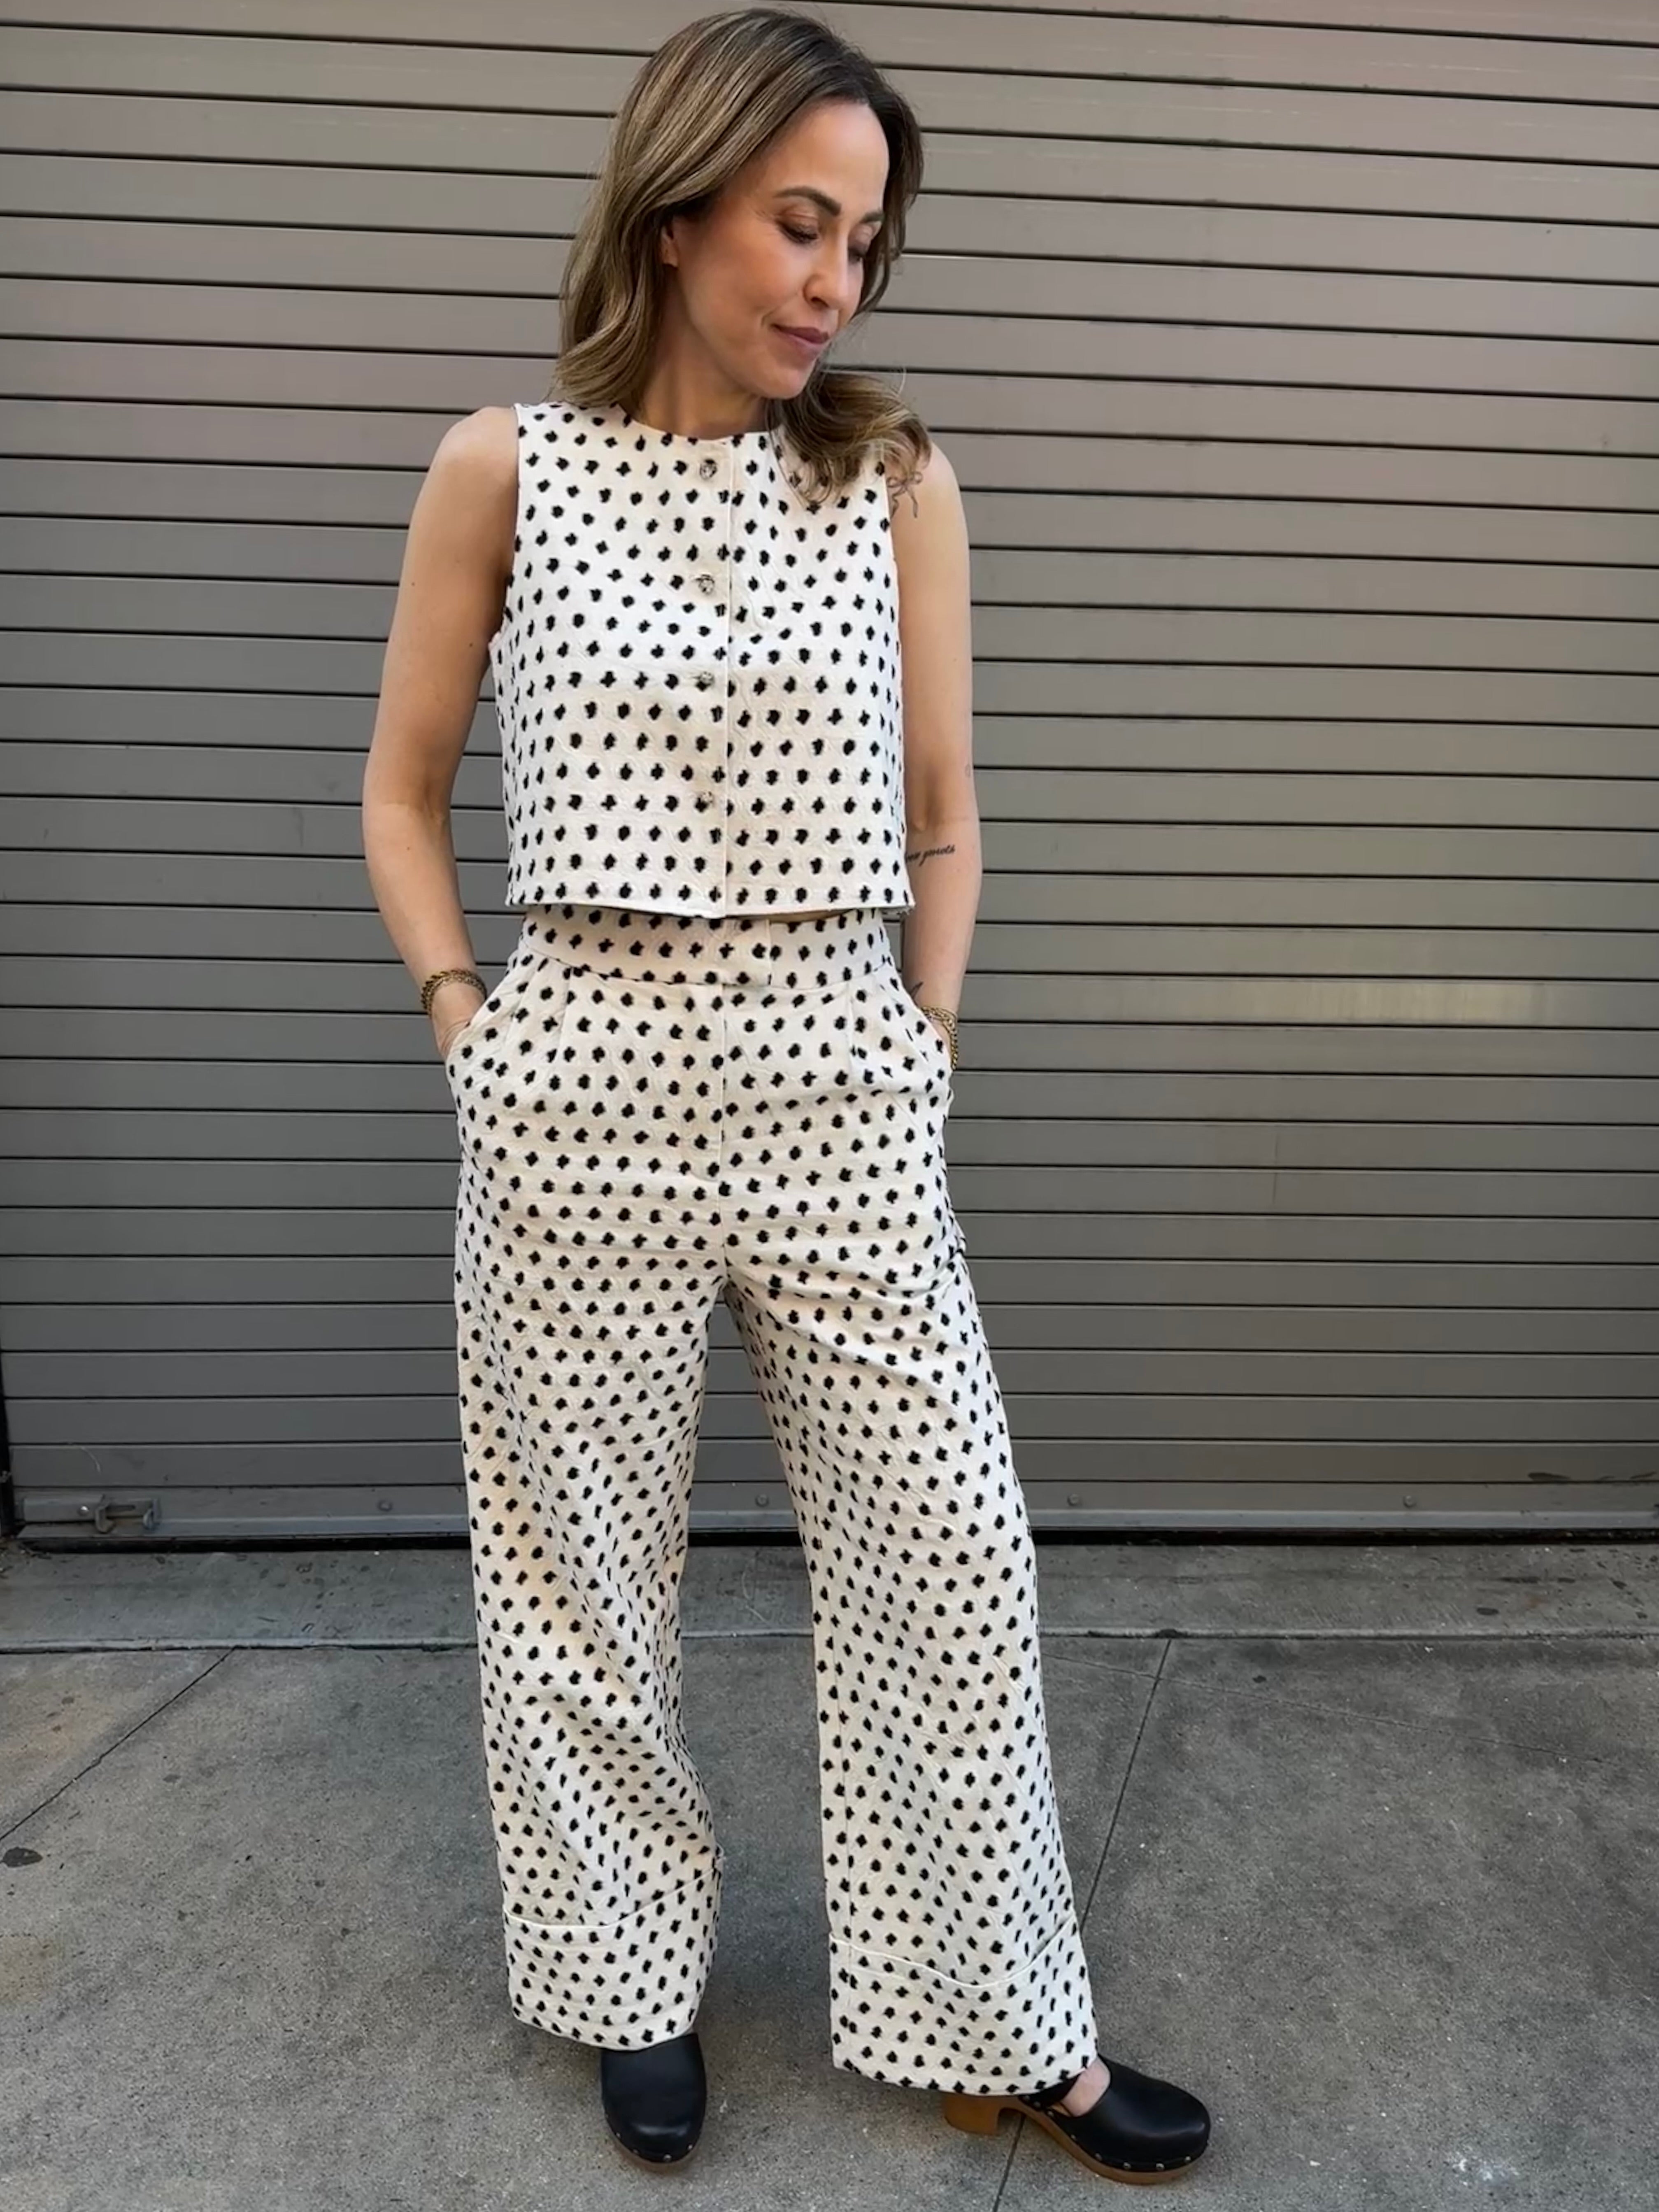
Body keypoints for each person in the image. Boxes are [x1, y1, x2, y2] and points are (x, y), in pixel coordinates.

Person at [362, 5, 1209, 2184]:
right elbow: (398, 791)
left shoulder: (895, 479)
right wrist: (469, 1026)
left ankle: (1005, 2021)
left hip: (844, 1077)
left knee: (950, 1563)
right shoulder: (503, 467)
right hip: (580, 1082)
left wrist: (926, 1043)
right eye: (799, 223)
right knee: (577, 1580)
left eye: (865, 242)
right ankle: (630, 1987)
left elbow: (948, 812)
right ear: (674, 213)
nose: (837, 281)